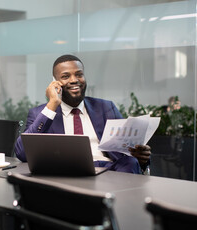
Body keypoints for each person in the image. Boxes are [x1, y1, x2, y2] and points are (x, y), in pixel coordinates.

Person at [14, 54, 151, 174]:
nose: (74, 80)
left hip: (109, 171)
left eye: (79, 74)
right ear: (55, 82)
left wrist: (140, 156)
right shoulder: (41, 113)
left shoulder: (106, 107)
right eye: (65, 76)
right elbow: (21, 153)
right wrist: (52, 104)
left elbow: (125, 149)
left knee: (130, 163)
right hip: (67, 173)